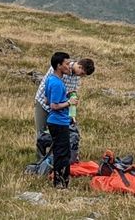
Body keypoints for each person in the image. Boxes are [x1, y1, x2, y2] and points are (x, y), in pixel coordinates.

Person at [32, 53, 95, 160]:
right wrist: (66, 102)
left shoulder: (76, 78)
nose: (81, 76)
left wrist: (72, 107)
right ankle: (40, 160)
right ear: (79, 66)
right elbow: (49, 88)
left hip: (60, 107)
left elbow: (70, 93)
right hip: (44, 103)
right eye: (82, 73)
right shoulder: (60, 67)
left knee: (57, 133)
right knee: (41, 132)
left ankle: (54, 158)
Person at [42, 55, 78, 189]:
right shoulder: (57, 83)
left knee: (59, 151)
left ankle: (59, 181)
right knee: (63, 153)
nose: (69, 66)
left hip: (53, 121)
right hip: (59, 122)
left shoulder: (50, 79)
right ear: (58, 66)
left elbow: (46, 99)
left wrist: (64, 96)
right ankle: (60, 183)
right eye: (67, 64)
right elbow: (53, 105)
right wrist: (69, 102)